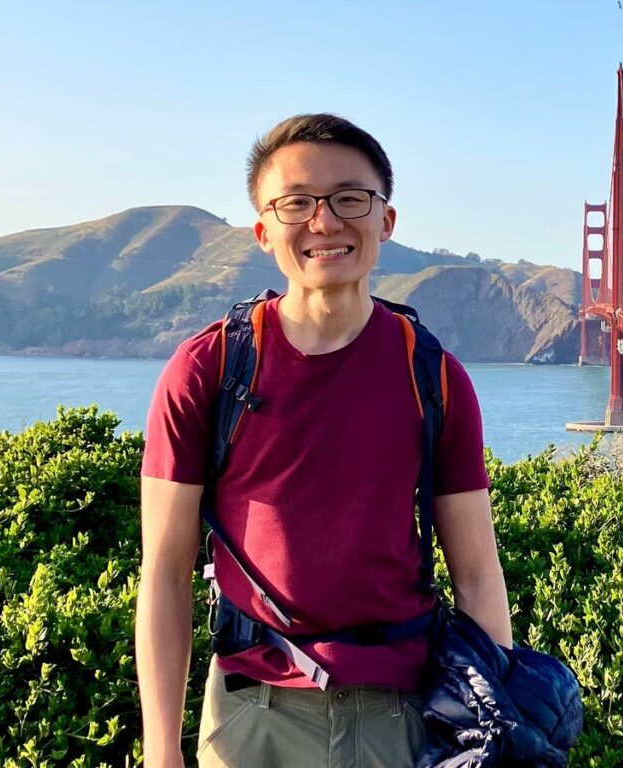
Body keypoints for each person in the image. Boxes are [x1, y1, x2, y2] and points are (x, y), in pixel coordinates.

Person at [136, 113, 512, 768]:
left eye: (349, 198)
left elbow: (478, 576)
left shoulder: (432, 375)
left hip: (401, 716)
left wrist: (494, 735)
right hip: (252, 718)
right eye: (297, 203)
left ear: (385, 220)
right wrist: (161, 749)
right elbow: (166, 571)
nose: (325, 221)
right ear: (263, 231)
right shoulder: (208, 370)